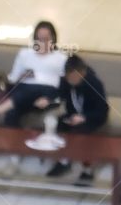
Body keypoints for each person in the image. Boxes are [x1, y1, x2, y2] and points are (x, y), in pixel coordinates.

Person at [0, 21, 68, 128]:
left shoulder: (61, 58)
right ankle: (10, 143)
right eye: (39, 39)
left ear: (53, 39)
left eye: (46, 39)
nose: (42, 43)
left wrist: (49, 99)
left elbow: (64, 84)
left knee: (30, 91)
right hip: (24, 91)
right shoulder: (25, 54)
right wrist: (22, 76)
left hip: (47, 94)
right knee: (12, 112)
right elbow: (12, 78)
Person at [46, 54, 110, 184]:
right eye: (69, 76)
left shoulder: (94, 84)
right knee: (60, 125)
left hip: (92, 117)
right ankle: (64, 161)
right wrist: (49, 100)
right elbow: (60, 96)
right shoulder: (66, 81)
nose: (71, 80)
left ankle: (87, 170)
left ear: (82, 73)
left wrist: (84, 117)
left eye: (74, 77)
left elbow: (102, 110)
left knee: (81, 133)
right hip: (73, 115)